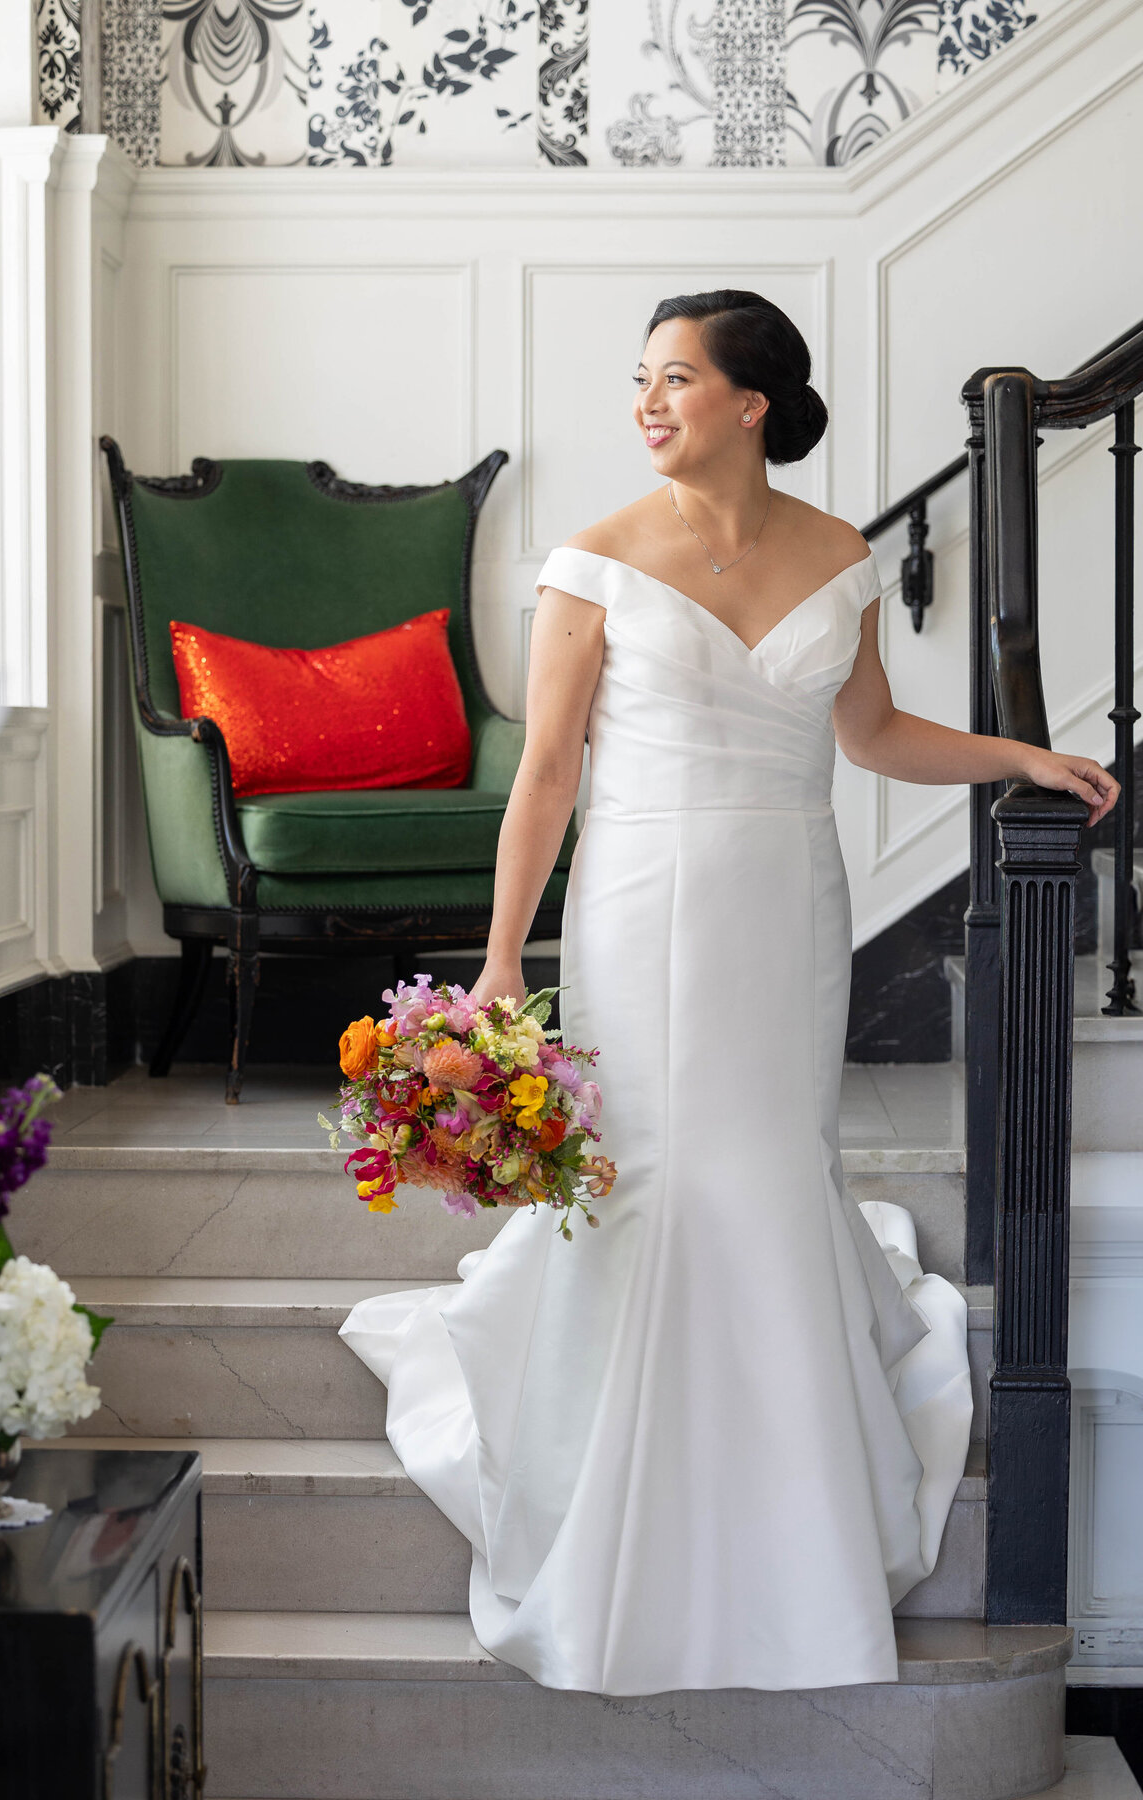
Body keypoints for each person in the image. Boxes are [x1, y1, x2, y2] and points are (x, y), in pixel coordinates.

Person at [339, 289, 1119, 1696]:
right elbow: (550, 776)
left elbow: (870, 731)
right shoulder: (593, 559)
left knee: (769, 1167)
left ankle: (782, 1485)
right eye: (639, 380)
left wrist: (1019, 759)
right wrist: (506, 957)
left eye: (676, 379)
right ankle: (618, 1490)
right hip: (639, 905)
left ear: (751, 403)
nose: (647, 404)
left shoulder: (840, 553)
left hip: (787, 905)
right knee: (654, 1174)